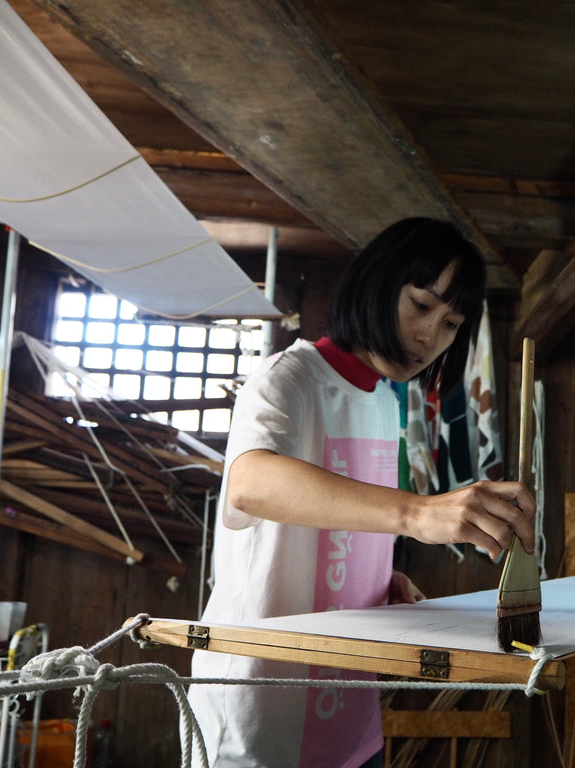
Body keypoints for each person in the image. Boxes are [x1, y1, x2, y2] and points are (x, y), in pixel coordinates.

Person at [188, 217, 537, 768]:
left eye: (450, 323)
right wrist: (419, 514)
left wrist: (375, 583)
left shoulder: (384, 401)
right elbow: (251, 483)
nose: (430, 336)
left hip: (348, 717)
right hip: (263, 718)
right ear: (377, 283)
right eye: (421, 306)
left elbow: (340, 526)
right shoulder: (289, 377)